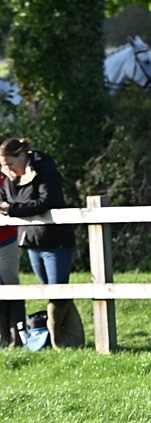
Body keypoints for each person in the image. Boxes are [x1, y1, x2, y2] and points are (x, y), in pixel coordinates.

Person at [0, 138, 84, 348]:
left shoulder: (45, 171)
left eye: (9, 163)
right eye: (3, 165)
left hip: (55, 241)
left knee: (57, 291)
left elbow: (47, 201)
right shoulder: (12, 178)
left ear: (22, 156)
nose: (6, 169)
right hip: (32, 240)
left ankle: (59, 342)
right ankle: (71, 340)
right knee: (51, 290)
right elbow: (5, 198)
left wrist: (13, 209)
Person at [0, 162, 19, 347]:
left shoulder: (4, 174)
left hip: (6, 240)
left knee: (11, 287)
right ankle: (2, 337)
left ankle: (17, 336)